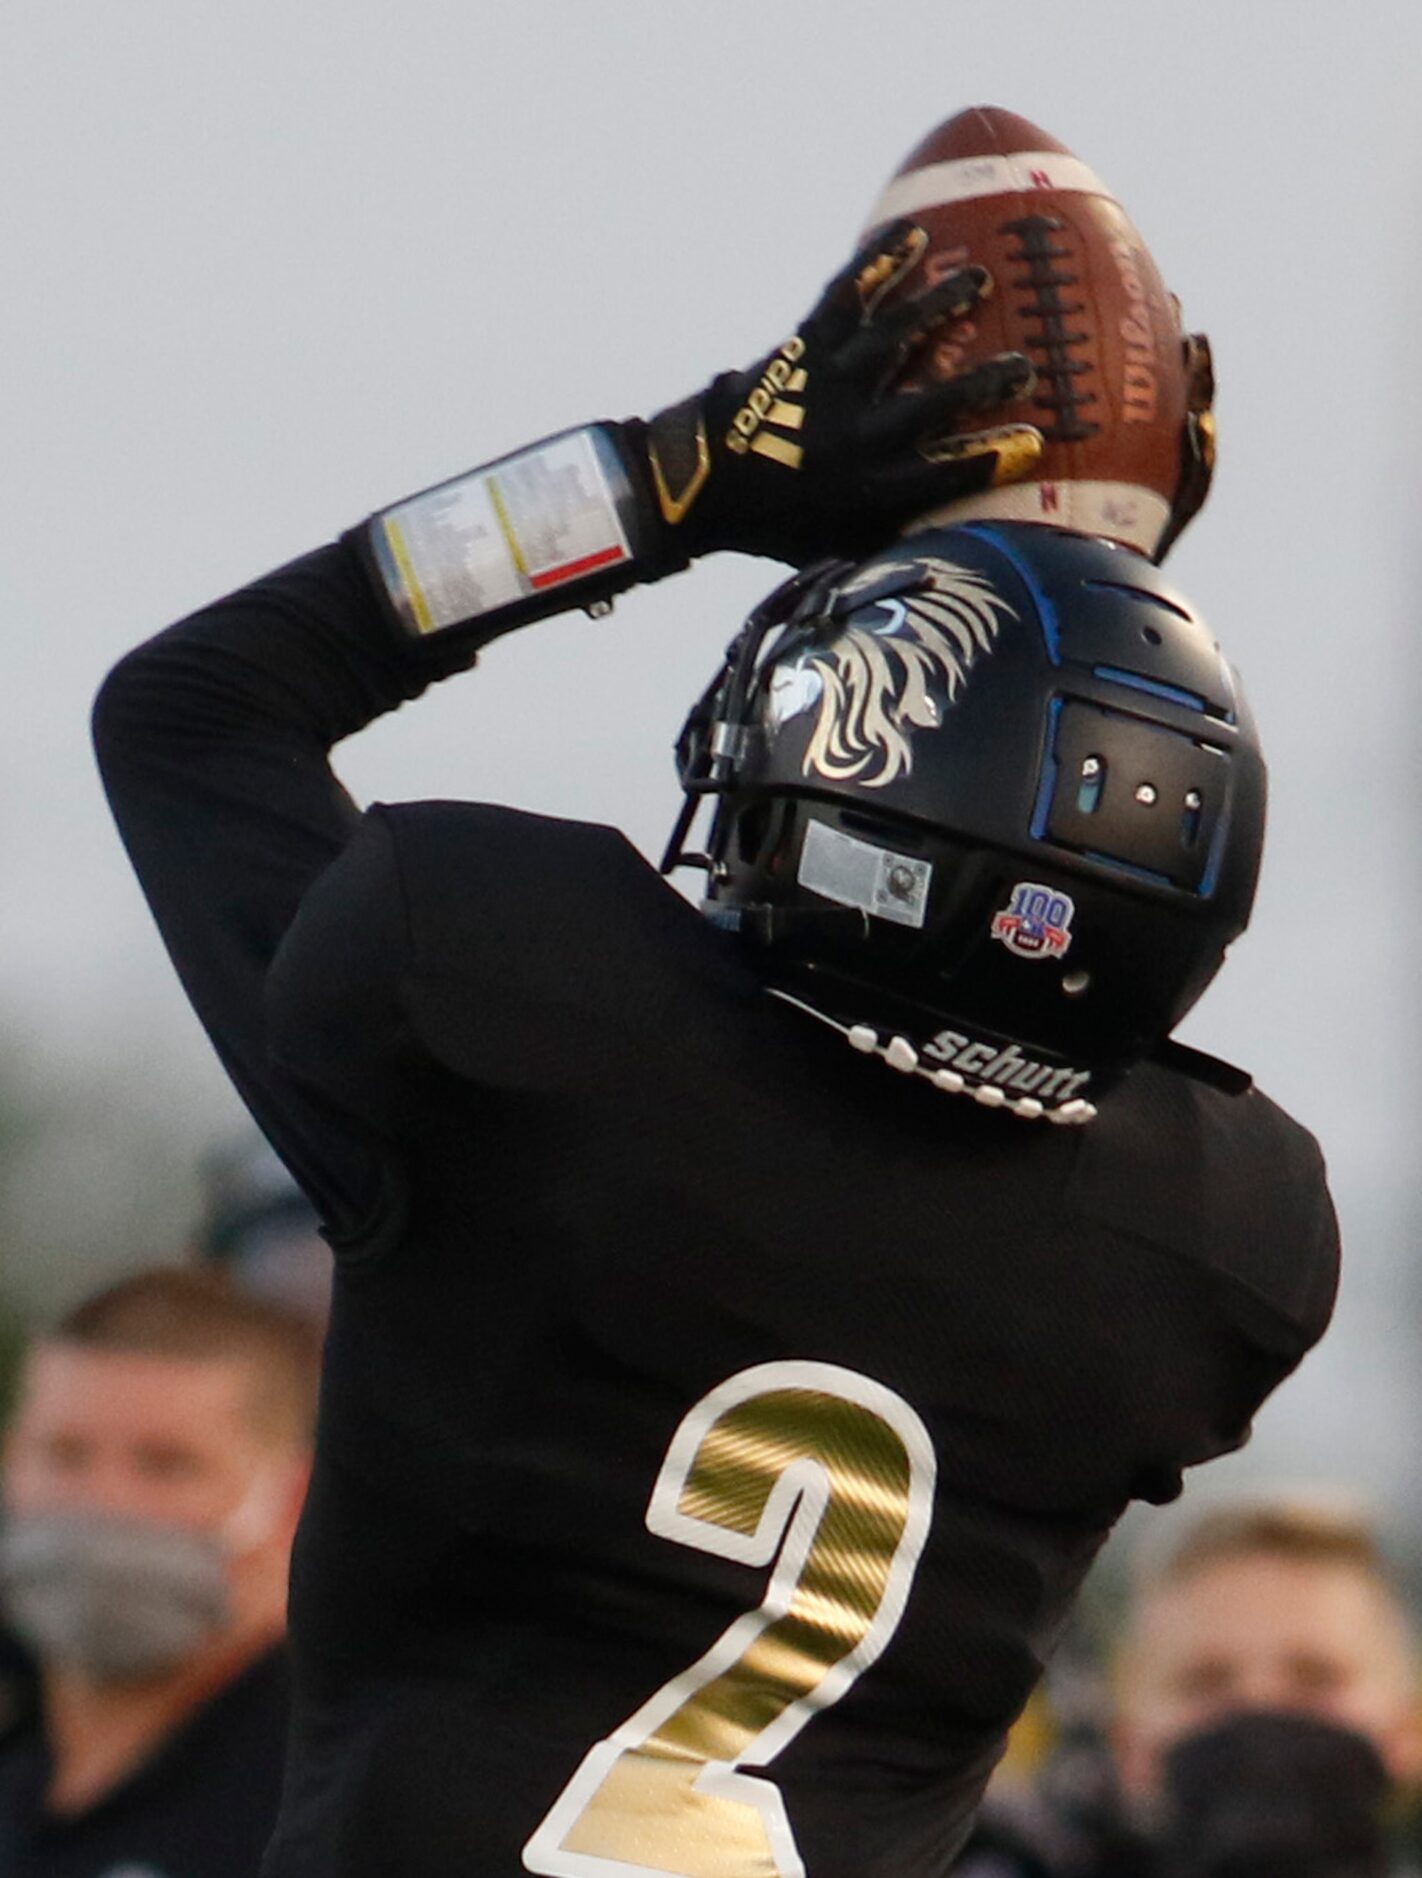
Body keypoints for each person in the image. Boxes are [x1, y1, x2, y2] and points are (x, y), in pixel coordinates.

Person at [92, 216, 1339, 1877]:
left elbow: (196, 707)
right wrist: (1088, 611)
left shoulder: (501, 1016)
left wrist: (676, 477)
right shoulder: (1218, 1239)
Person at [0, 1268, 318, 1877]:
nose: (102, 1504)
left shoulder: (336, 1803)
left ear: (293, 1499)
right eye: (63, 1454)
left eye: (166, 1465)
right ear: (14, 1461)